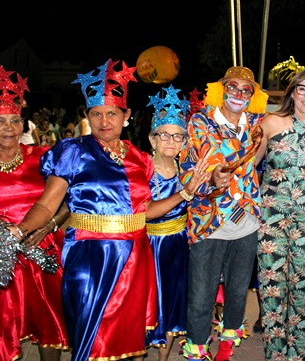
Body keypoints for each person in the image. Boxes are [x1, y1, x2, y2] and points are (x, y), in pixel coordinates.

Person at [8, 59, 208, 361]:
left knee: (131, 343)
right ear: (87, 116)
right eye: (96, 114)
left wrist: (185, 192)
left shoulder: (140, 159)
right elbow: (48, 204)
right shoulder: (73, 151)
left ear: (126, 115)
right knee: (91, 340)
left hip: (135, 259)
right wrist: (20, 229)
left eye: (112, 113)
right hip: (89, 258)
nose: (104, 121)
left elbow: (146, 212)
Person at [179, 66, 268, 361]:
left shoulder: (258, 123)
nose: (239, 95)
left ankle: (227, 345)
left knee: (238, 290)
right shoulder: (200, 123)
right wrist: (210, 180)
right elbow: (187, 169)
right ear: (222, 89)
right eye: (233, 87)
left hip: (247, 220)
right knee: (201, 294)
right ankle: (197, 349)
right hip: (208, 219)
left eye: (246, 90)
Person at [255, 68, 305, 360]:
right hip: (270, 218)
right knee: (272, 287)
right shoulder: (271, 123)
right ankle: (276, 354)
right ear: (292, 92)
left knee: (304, 287)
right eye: (303, 89)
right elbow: (250, 165)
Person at [0, 66, 68, 361]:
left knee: (48, 326)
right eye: (1, 121)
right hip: (2, 260)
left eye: (15, 120)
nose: (9, 128)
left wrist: (51, 223)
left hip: (42, 252)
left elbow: (71, 199)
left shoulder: (43, 157)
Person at [145, 85, 192, 360]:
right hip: (150, 244)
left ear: (184, 142)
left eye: (178, 137)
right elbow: (144, 210)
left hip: (179, 242)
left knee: (175, 298)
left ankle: (164, 356)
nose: (171, 142)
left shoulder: (185, 170)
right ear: (153, 140)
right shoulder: (142, 170)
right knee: (151, 299)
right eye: (165, 136)